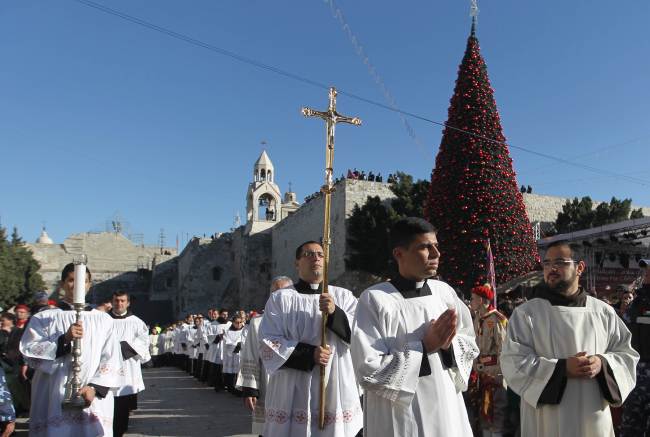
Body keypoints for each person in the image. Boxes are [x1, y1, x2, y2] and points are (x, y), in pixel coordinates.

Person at [351, 217, 479, 437]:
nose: (436, 254)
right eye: (425, 247)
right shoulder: (375, 299)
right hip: (400, 416)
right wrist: (425, 346)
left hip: (446, 407)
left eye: (436, 247)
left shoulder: (444, 293)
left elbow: (468, 343)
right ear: (399, 254)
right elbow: (368, 368)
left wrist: (449, 346)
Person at [501, 240, 639, 437]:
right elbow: (512, 361)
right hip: (547, 417)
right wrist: (562, 369)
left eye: (560, 262)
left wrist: (602, 364)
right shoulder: (526, 314)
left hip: (593, 414)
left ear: (579, 267)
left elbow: (626, 355)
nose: (551, 268)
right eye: (547, 263)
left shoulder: (603, 312)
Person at [260, 241, 362, 436]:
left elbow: (361, 334)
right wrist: (309, 354)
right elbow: (268, 342)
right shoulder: (281, 299)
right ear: (297, 263)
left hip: (335, 383)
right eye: (308, 254)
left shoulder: (343, 296)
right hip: (292, 386)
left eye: (320, 254)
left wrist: (334, 313)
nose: (316, 258)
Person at [20, 263, 122, 436]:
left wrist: (94, 388)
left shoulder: (104, 320)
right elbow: (29, 351)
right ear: (61, 284)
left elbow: (112, 358)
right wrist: (63, 340)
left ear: (89, 285)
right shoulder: (44, 317)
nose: (77, 285)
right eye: (71, 280)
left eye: (83, 281)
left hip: (91, 397)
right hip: (53, 394)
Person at [238, 275, 293, 435]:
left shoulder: (301, 319)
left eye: (284, 292)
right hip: (268, 384)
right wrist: (250, 390)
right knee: (269, 428)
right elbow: (251, 355)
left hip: (296, 382)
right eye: (275, 293)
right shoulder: (257, 322)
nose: (279, 296)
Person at [108, 291, 150, 437]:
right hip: (106, 368)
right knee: (107, 404)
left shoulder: (137, 322)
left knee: (122, 404)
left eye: (122, 301)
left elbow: (144, 343)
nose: (119, 304)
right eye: (116, 300)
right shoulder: (103, 320)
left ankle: (120, 431)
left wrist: (124, 346)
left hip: (127, 368)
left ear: (128, 303)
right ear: (112, 301)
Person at [470, 284, 508, 437]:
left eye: (473, 299)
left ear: (481, 300)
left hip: (494, 372)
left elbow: (503, 348)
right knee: (483, 409)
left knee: (496, 408)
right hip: (480, 371)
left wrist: (498, 372)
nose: (470, 302)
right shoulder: (478, 318)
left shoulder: (496, 319)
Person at [620, 258, 650, 436]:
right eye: (646, 272)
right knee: (631, 430)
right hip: (635, 381)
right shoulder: (637, 303)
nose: (645, 276)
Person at [222, 315, 246, 394]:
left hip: (241, 355)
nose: (239, 324)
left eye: (240, 322)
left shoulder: (245, 330)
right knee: (231, 372)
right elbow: (226, 341)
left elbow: (246, 340)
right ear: (233, 323)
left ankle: (239, 389)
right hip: (231, 355)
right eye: (236, 322)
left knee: (239, 372)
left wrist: (240, 345)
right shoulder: (228, 331)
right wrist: (235, 346)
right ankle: (231, 388)